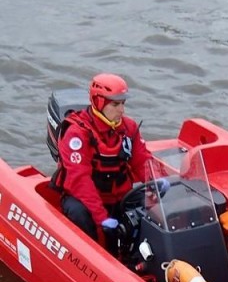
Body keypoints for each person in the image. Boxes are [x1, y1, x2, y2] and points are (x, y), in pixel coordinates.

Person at [54, 73, 164, 243]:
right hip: (86, 199)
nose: (122, 110)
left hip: (119, 197)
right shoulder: (77, 134)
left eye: (123, 103)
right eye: (115, 104)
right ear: (99, 102)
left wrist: (159, 180)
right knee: (79, 214)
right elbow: (80, 181)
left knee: (155, 207)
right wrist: (101, 217)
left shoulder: (129, 128)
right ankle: (88, 255)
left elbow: (142, 161)